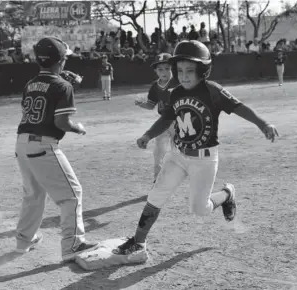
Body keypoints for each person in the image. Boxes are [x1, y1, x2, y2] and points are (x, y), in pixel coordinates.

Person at [113, 40, 279, 259]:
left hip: (204, 160)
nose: (184, 75)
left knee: (199, 210)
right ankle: (138, 242)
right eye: (179, 70)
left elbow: (240, 108)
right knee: (155, 196)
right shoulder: (176, 93)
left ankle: (227, 194)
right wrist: (147, 135)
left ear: (203, 70)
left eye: (190, 70)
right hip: (177, 156)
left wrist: (263, 124)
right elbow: (166, 119)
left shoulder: (213, 91)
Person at [14, 37, 98, 262]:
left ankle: (24, 239)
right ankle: (73, 244)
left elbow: (35, 107)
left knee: (33, 194)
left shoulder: (30, 83)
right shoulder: (63, 85)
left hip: (21, 142)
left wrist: (60, 85)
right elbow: (61, 123)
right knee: (72, 195)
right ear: (61, 61)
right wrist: (77, 128)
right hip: (43, 145)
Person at [134, 53, 179, 182]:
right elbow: (150, 105)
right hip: (162, 122)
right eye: (160, 69)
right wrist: (141, 104)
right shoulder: (155, 86)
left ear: (173, 68)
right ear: (155, 71)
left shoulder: (178, 82)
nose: (164, 72)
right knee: (159, 151)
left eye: (167, 68)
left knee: (178, 151)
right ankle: (158, 179)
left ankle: (177, 176)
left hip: (179, 122)